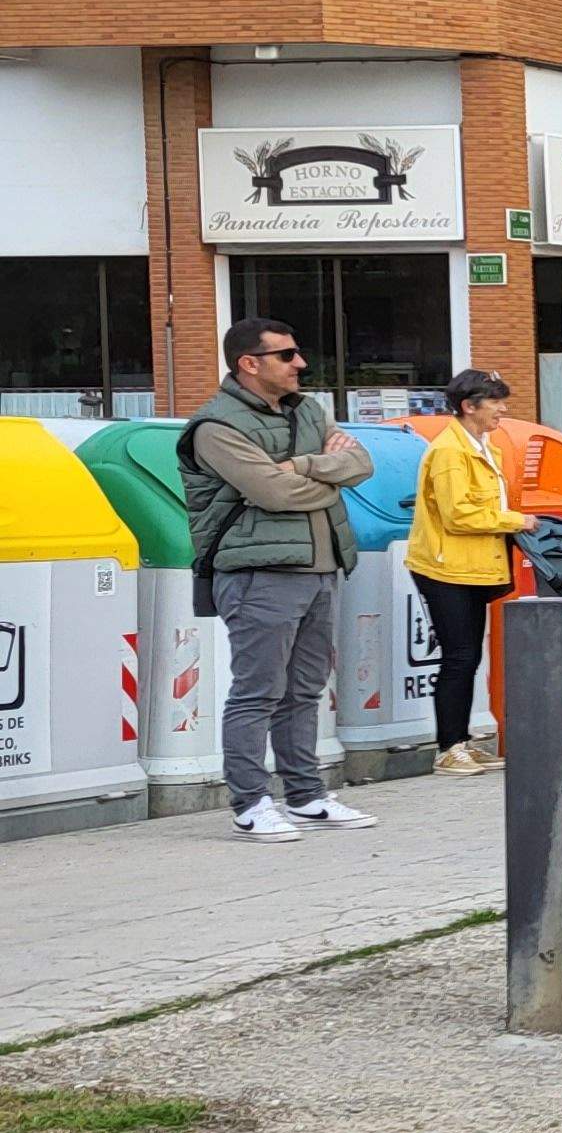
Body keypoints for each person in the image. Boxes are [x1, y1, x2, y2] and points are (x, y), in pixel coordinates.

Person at [181, 317, 378, 838]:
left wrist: (298, 466)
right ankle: (250, 802)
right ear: (250, 363)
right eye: (287, 355)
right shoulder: (215, 427)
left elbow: (361, 462)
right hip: (258, 575)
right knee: (258, 691)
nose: (301, 364)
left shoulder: (307, 409)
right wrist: (322, 476)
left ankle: (306, 796)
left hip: (322, 568)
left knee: (306, 689)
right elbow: (274, 494)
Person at [403, 369, 531, 778]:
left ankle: (460, 741)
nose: (502, 409)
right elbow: (458, 514)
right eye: (494, 401)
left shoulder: (482, 447)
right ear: (468, 407)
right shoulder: (450, 452)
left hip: (472, 567)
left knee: (469, 656)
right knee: (459, 657)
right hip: (445, 568)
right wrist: (516, 521)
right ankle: (448, 749)